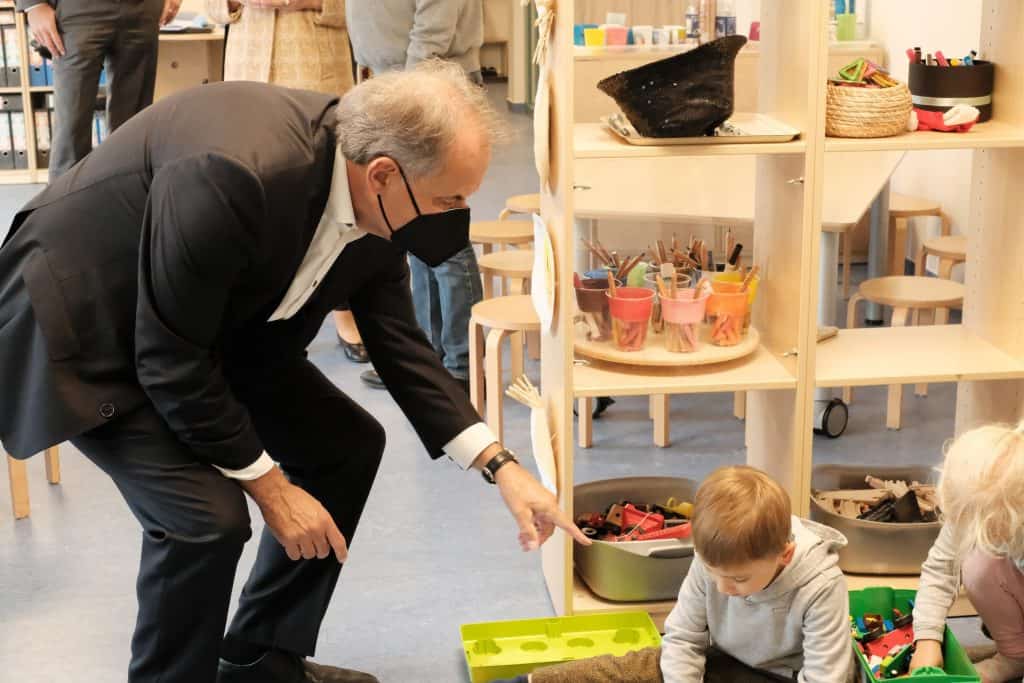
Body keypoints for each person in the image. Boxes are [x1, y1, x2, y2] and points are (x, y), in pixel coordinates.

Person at [0, 62, 589, 683]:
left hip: (211, 327)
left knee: (348, 447)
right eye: (451, 200)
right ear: (384, 174)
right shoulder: (237, 172)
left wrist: (502, 466)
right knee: (205, 520)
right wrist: (271, 487)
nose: (457, 217)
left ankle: (258, 656)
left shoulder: (383, 198)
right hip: (87, 327)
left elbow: (399, 342)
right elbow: (170, 361)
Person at [495, 466, 853, 683]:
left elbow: (827, 678)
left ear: (784, 556)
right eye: (714, 574)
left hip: (779, 678)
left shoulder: (820, 585)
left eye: (740, 580)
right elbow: (682, 639)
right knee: (638, 665)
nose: (724, 589)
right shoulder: (710, 559)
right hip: (718, 663)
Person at [205, 0, 370, 366]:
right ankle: (255, 309)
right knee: (251, 195)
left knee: (329, 192)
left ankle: (343, 308)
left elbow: (361, 7)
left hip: (316, 73)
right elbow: (210, 8)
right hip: (247, 78)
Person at [347, 0, 485, 392]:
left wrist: (406, 95)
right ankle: (428, 356)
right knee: (415, 225)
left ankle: (460, 365)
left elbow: (434, 22)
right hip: (397, 82)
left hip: (427, 86)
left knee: (442, 228)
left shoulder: (417, 86)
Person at [909, 423, 1024, 681]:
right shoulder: (975, 501)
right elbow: (940, 569)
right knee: (978, 564)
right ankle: (1015, 655)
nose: (963, 524)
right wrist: (927, 638)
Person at [21, 0, 180, 179]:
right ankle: (65, 205)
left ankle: (125, 202)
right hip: (77, 10)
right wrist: (33, 4)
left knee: (134, 128)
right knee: (71, 130)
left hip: (142, 10)